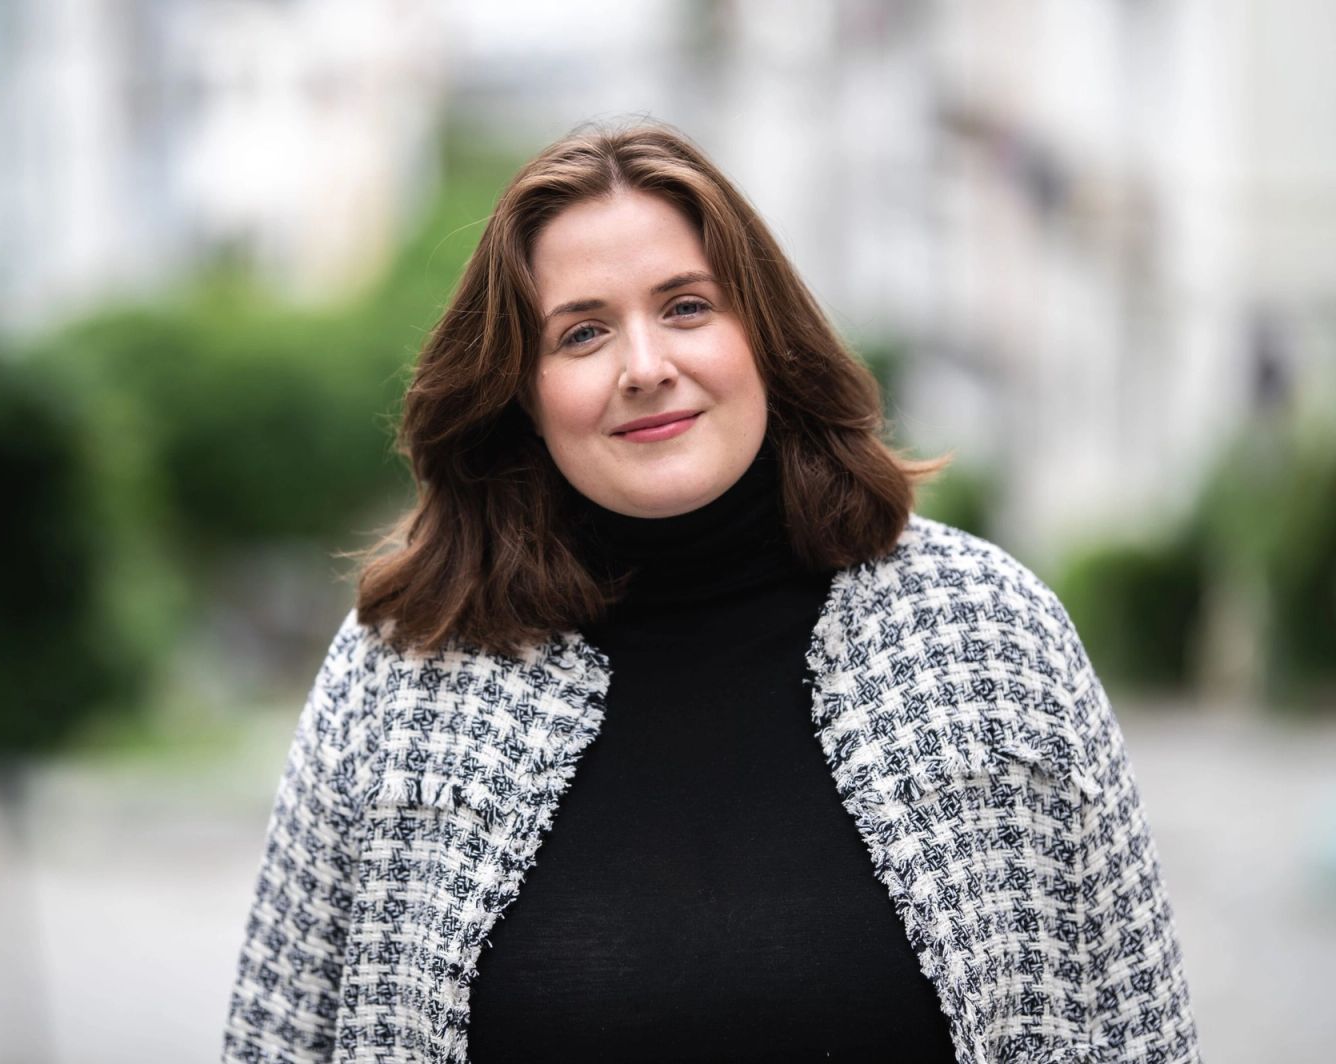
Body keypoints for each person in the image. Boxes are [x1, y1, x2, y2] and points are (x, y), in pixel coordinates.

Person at [220, 123, 1201, 1063]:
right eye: (582, 333)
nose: (646, 368)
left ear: (765, 334)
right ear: (520, 393)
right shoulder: (402, 674)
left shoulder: (991, 637)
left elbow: (1135, 1029)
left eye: (687, 307)